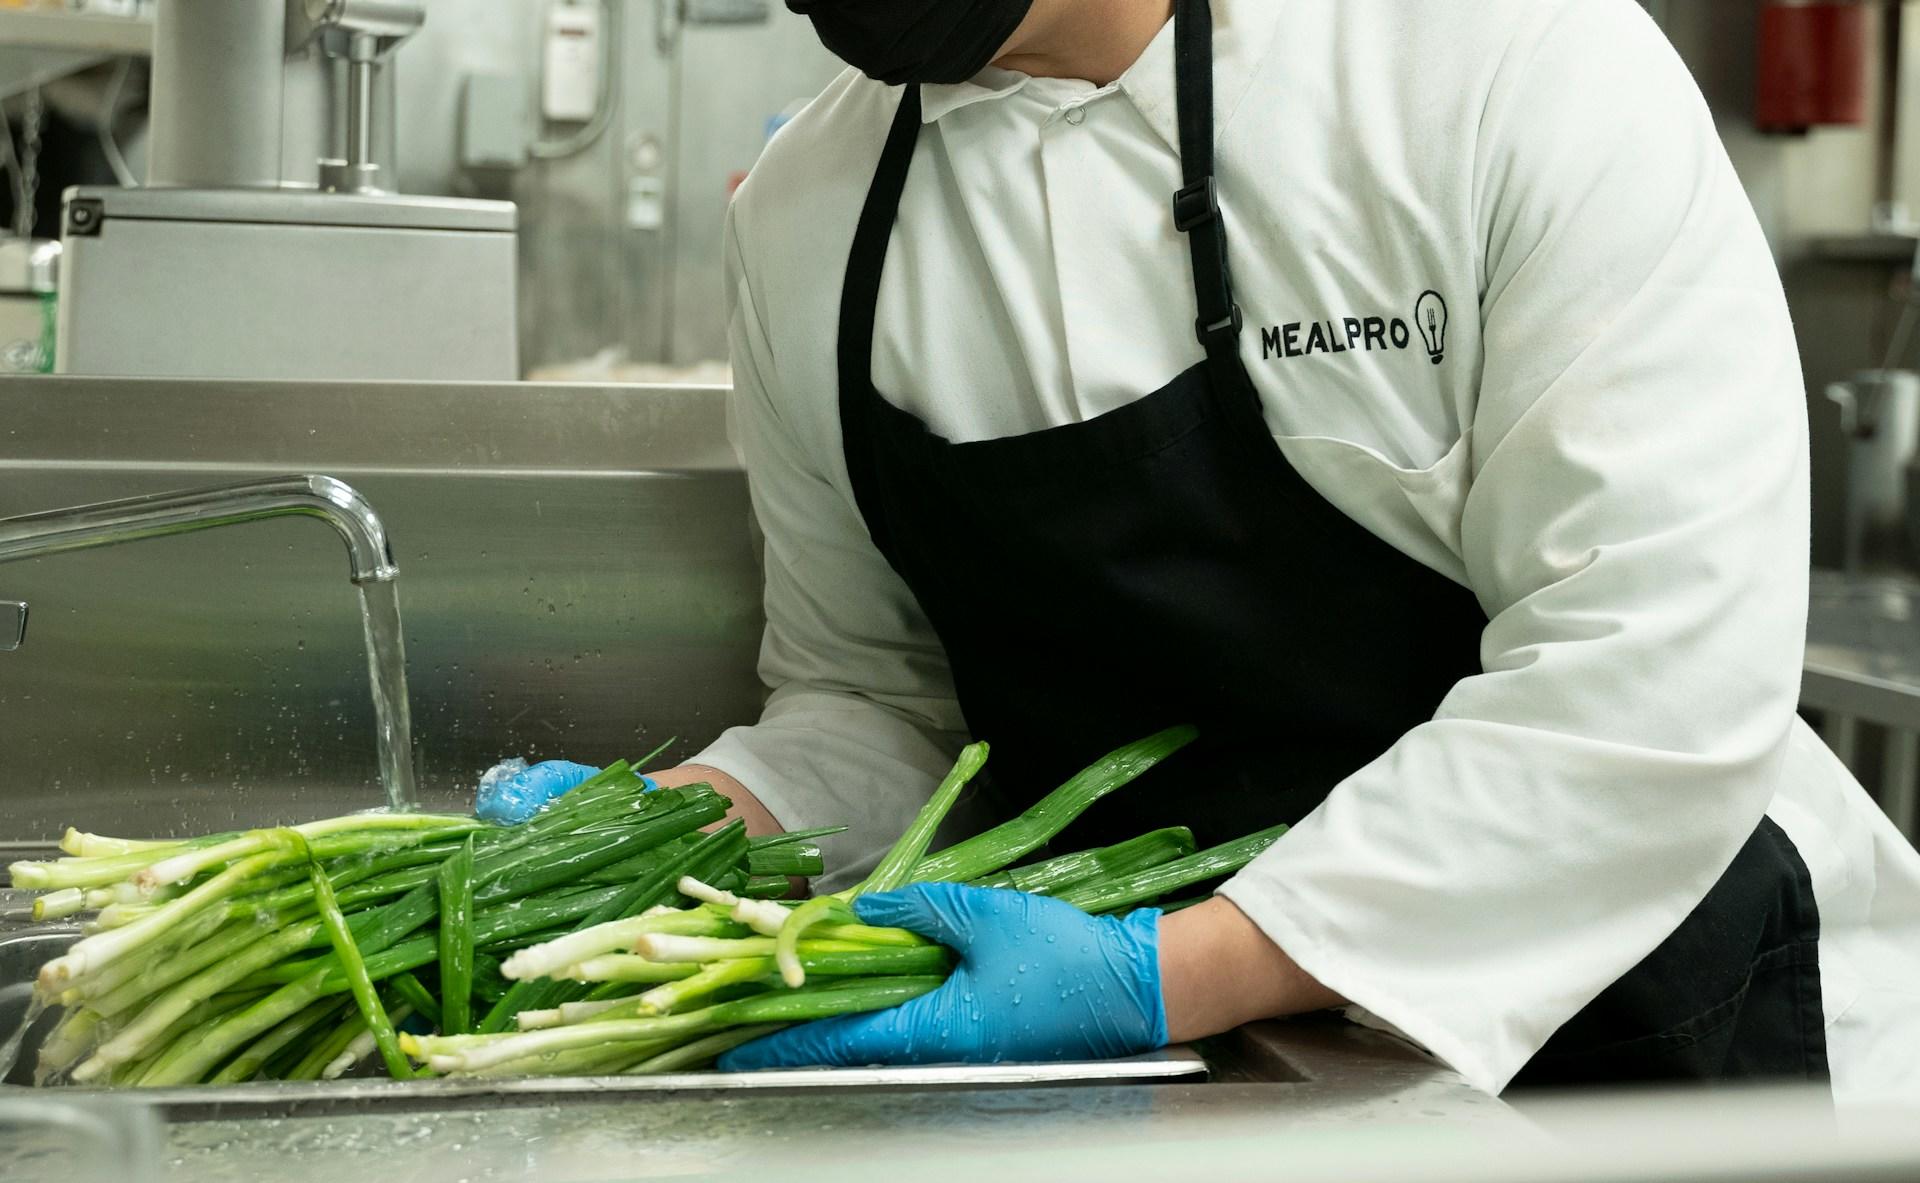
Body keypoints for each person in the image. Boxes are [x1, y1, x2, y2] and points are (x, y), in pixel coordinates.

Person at [490, 0, 1920, 1099]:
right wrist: (677, 825)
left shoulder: (1499, 58)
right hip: (1192, 1082)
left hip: (1644, 1027)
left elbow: (1648, 672)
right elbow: (883, 700)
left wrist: (1170, 975)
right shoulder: (812, 212)